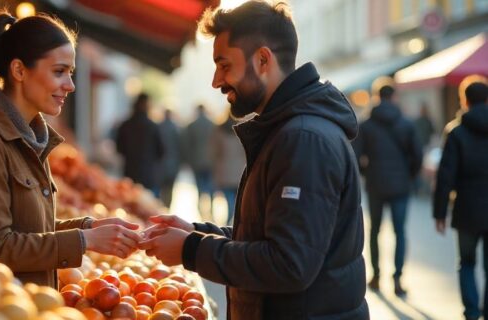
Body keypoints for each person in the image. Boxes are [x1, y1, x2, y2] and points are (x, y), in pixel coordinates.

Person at [139, 1, 368, 318]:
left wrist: (190, 250)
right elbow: (265, 238)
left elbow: (289, 263)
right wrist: (195, 233)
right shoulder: (287, 130)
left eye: (224, 65)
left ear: (263, 60)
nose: (216, 81)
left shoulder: (303, 140)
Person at [0, 12, 141, 287]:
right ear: (19, 70)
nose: (69, 85)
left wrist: (88, 228)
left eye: (70, 73)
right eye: (59, 72)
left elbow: (31, 231)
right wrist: (85, 241)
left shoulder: (32, 136)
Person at [353, 83, 423, 295]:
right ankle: (398, 279)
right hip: (401, 185)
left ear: (376, 97)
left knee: (375, 230)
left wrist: (367, 174)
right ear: (394, 97)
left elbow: (355, 157)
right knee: (399, 232)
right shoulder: (406, 124)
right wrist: (409, 174)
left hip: (376, 184)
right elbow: (417, 155)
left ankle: (375, 276)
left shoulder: (365, 125)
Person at [434, 79, 488, 320]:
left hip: (466, 208)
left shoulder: (456, 132)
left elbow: (446, 175)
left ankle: (471, 311)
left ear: (464, 100)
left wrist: (439, 212)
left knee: (466, 263)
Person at [115, 93, 165, 196]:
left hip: (130, 173)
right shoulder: (152, 126)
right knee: (149, 206)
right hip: (149, 174)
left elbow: (119, 148)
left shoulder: (125, 125)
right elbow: (161, 151)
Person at [210, 110, 245, 224]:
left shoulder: (219, 130)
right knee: (238, 201)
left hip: (225, 171)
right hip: (240, 171)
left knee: (229, 200)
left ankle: (229, 222)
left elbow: (215, 152)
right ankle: (232, 223)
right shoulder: (244, 129)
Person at [181, 104, 216, 216]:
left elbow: (186, 145)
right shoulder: (213, 124)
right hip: (210, 160)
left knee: (199, 185)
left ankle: (201, 207)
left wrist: (187, 160)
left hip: (196, 160)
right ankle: (210, 206)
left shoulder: (191, 125)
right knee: (210, 184)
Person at [158, 109, 181, 208]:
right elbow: (180, 145)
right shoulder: (176, 128)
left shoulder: (159, 127)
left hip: (160, 163)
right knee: (170, 187)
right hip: (173, 162)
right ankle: (167, 205)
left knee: (161, 187)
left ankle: (162, 204)